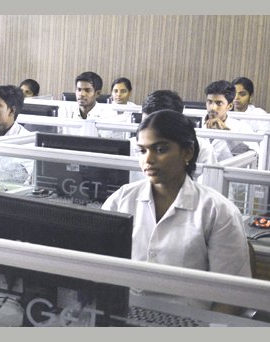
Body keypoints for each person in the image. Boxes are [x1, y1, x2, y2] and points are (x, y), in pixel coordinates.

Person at [102, 109, 250, 310]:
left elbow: (231, 295)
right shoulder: (121, 199)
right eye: (142, 151)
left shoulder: (218, 211)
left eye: (160, 149)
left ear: (187, 152)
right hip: (123, 312)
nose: (148, 159)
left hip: (189, 321)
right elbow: (99, 268)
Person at [139, 90, 214, 167]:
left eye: (157, 127)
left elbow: (210, 178)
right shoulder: (132, 146)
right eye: (144, 124)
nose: (148, 131)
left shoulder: (202, 148)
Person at [203, 80, 258, 162]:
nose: (212, 108)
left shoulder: (242, 128)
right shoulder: (195, 126)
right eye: (209, 102)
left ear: (229, 106)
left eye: (219, 103)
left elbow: (254, 160)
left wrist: (227, 133)